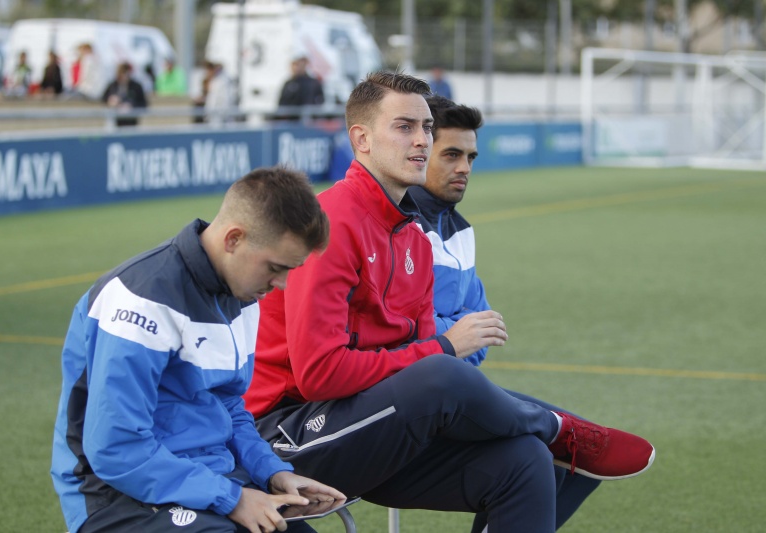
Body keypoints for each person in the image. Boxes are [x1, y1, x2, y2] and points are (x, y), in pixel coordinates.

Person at [244, 72, 655, 533]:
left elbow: (420, 353)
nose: (421, 141)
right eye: (404, 127)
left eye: (426, 129)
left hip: (376, 425)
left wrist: (438, 352)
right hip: (283, 438)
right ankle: (558, 428)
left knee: (524, 460)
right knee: (442, 368)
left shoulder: (416, 240)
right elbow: (321, 375)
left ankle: (552, 436)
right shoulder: (332, 223)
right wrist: (442, 349)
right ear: (360, 139)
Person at [51, 167, 344, 533]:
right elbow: (117, 448)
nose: (281, 285)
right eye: (275, 267)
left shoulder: (242, 297)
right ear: (234, 239)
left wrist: (273, 473)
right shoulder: (141, 300)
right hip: (114, 494)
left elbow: (230, 408)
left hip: (209, 479)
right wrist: (231, 498)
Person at [410, 94, 607, 530]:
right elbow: (410, 330)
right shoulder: (401, 230)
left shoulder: (460, 230)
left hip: (457, 386)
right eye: (452, 155)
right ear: (421, 152)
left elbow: (482, 331)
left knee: (580, 459)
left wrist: (456, 337)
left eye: (471, 157)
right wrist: (454, 335)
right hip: (415, 398)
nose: (464, 167)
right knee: (552, 451)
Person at [275, 55, 324, 121]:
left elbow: (320, 100)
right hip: (291, 120)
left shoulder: (313, 83)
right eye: (295, 65)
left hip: (310, 120)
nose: (296, 68)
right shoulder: (288, 83)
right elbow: (282, 103)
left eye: (299, 64)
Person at [102, 62, 148, 127]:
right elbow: (104, 98)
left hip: (131, 120)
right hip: (115, 119)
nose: (125, 76)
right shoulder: (113, 85)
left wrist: (131, 106)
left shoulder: (136, 87)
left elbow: (144, 104)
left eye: (126, 73)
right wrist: (110, 101)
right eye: (122, 73)